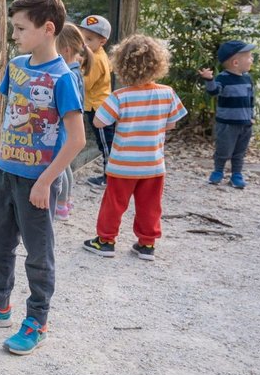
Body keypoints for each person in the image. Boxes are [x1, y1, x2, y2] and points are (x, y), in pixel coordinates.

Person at [0, 0, 86, 354]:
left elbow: (76, 139)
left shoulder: (63, 78)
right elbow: (13, 114)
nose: (14, 36)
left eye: (20, 29)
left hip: (37, 183)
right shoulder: (16, 67)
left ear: (47, 28)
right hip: (5, 174)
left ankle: (37, 321)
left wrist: (46, 181)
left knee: (38, 254)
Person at [83, 34, 187, 260]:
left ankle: (106, 241)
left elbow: (98, 121)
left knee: (114, 203)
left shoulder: (119, 97)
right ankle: (147, 244)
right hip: (153, 163)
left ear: (121, 66)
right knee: (150, 205)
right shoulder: (167, 93)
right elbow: (172, 123)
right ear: (159, 64)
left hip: (123, 165)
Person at [197, 40, 256, 189]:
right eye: (249, 57)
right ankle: (218, 171)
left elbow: (251, 99)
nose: (252, 59)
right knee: (223, 149)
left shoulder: (247, 78)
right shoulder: (223, 78)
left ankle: (237, 174)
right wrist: (209, 80)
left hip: (245, 122)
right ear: (235, 62)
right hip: (227, 123)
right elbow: (214, 91)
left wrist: (251, 116)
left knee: (240, 151)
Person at [54, 22, 93, 221]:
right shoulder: (76, 71)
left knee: (61, 167)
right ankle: (65, 201)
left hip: (67, 128)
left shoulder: (68, 74)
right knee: (65, 166)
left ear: (65, 50)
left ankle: (61, 205)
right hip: (69, 126)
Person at [79, 14, 114, 191]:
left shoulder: (96, 59)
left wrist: (75, 69)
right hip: (101, 105)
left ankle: (109, 178)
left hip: (98, 107)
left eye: (89, 39)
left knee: (106, 144)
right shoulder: (99, 54)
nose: (84, 43)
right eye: (82, 38)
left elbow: (85, 83)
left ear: (103, 41)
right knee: (107, 142)